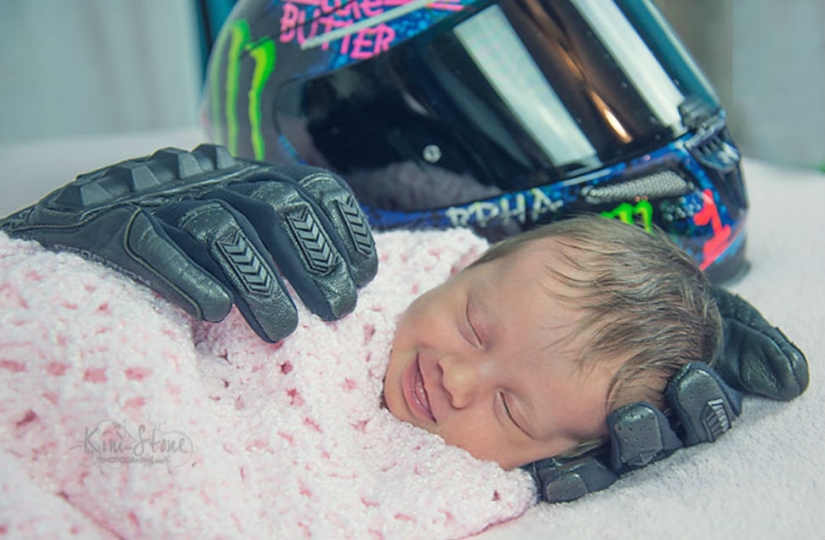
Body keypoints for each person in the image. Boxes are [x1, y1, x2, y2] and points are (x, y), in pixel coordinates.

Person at [0, 144, 808, 503]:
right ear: (462, 266)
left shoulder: (438, 486)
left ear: (559, 455)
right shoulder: (358, 264)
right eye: (476, 326)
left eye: (512, 410)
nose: (457, 378)